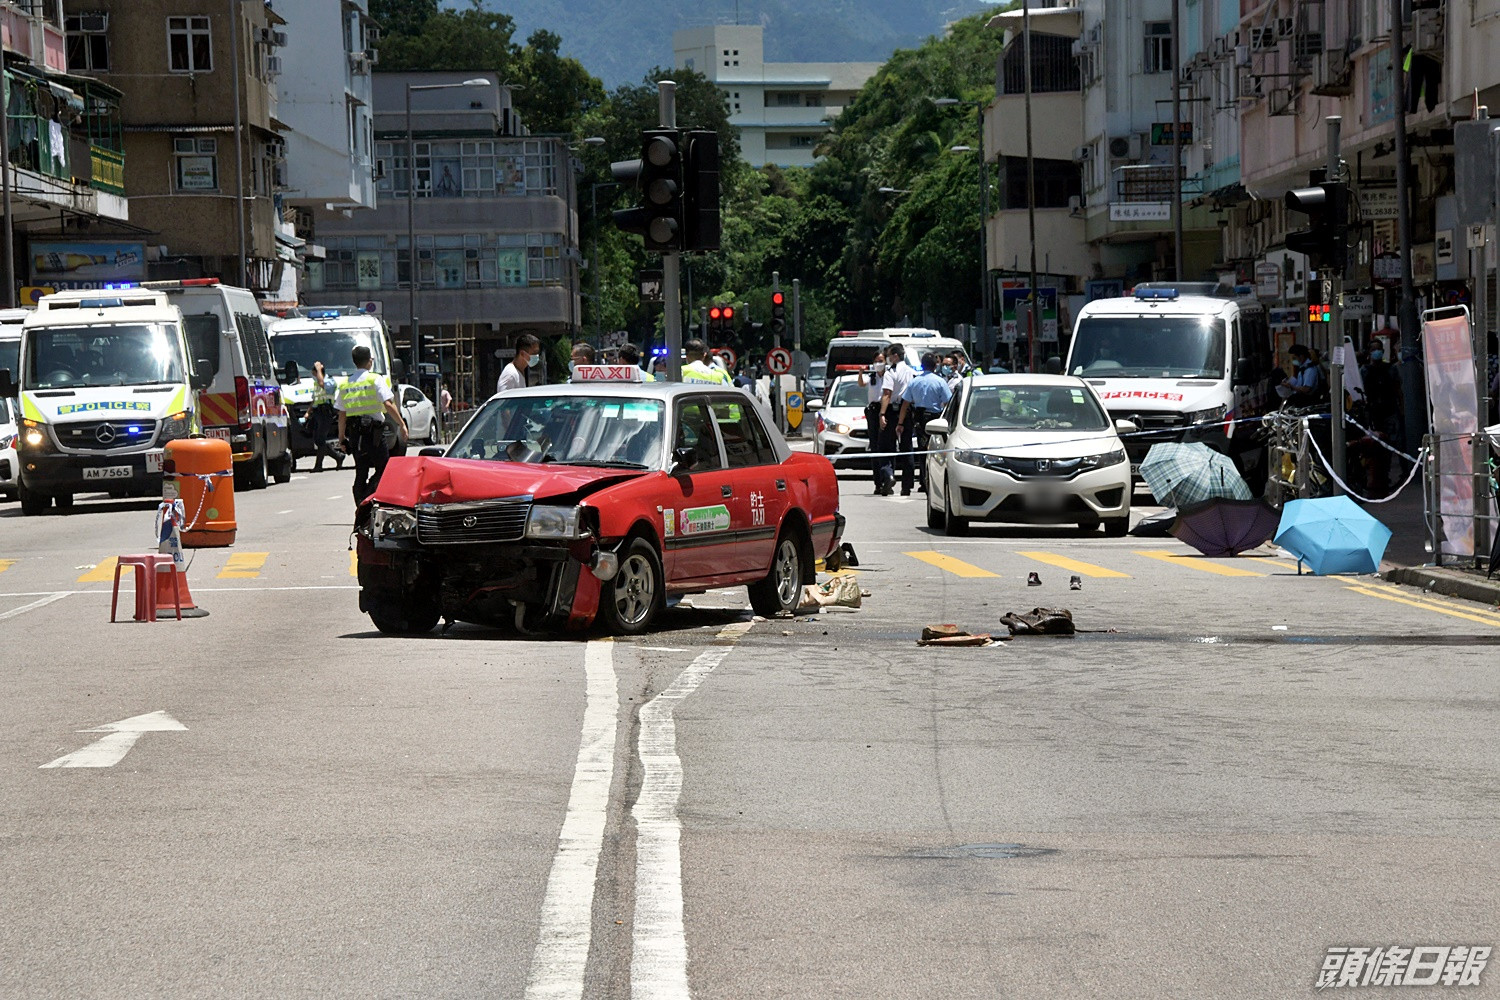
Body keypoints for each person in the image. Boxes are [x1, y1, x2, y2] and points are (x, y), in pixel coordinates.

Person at [336, 345, 407, 506]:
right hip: (373, 433)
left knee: (361, 471)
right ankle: (366, 498)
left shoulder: (345, 383)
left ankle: (360, 502)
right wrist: (401, 424)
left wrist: (341, 438)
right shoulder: (375, 379)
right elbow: (388, 404)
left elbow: (341, 414)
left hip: (355, 434)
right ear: (369, 361)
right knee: (384, 469)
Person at [896, 352, 954, 495]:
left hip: (919, 418)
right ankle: (932, 481)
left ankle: (924, 481)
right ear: (935, 366)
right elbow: (947, 403)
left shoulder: (915, 381)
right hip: (936, 418)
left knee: (923, 451)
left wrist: (900, 423)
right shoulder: (940, 381)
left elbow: (905, 404)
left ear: (922, 365)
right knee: (937, 450)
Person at [878, 343, 916, 496]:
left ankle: (888, 475)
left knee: (886, 447)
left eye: (888, 355)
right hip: (907, 412)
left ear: (895, 356)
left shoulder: (890, 372)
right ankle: (906, 486)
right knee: (907, 449)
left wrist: (882, 414)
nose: (887, 359)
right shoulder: (912, 372)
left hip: (893, 412)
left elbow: (887, 394)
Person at [857, 348, 891, 495]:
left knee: (887, 445)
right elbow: (861, 384)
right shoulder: (871, 377)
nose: (878, 364)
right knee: (875, 447)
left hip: (886, 410)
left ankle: (888, 478)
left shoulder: (890, 375)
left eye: (881, 361)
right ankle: (878, 482)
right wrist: (860, 373)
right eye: (876, 361)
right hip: (872, 411)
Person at [306, 361, 343, 472]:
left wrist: (318, 369)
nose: (313, 375)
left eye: (314, 372)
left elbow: (323, 384)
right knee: (318, 440)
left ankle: (319, 465)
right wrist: (308, 411)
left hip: (326, 412)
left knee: (320, 439)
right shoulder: (317, 382)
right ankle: (338, 456)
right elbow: (315, 399)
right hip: (317, 413)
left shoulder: (330, 381)